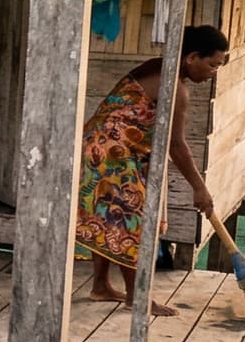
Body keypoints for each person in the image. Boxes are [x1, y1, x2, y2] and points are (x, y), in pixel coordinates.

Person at [77, 24, 228, 316]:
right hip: (111, 154)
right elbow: (177, 145)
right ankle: (137, 297)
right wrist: (200, 188)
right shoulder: (175, 88)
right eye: (212, 64)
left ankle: (100, 287)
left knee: (106, 217)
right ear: (191, 57)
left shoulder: (157, 66)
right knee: (132, 219)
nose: (214, 72)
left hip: (98, 145)